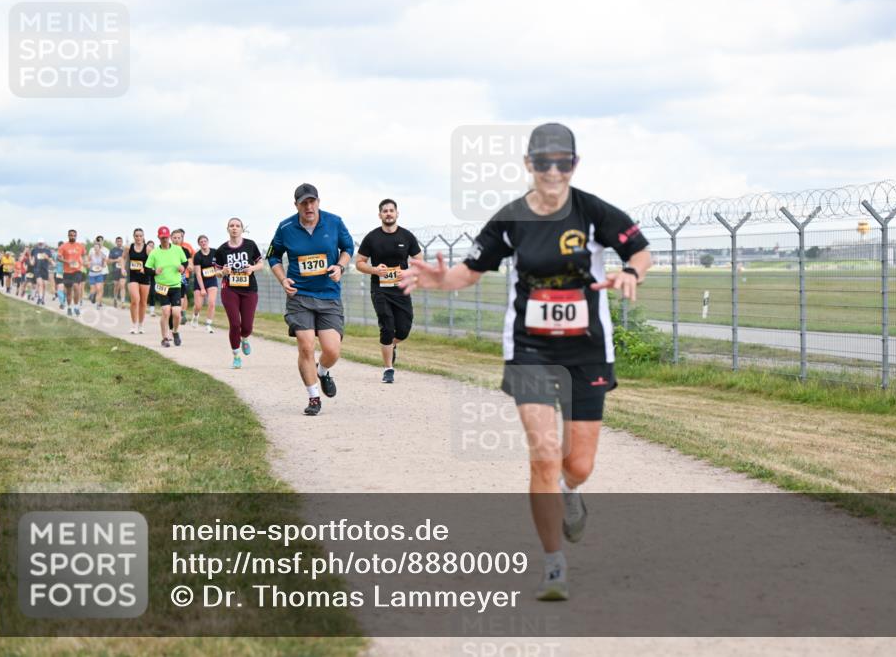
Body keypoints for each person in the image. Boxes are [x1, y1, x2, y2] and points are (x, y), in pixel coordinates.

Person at [401, 123, 652, 601]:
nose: (553, 171)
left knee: (578, 463)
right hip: (530, 349)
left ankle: (569, 489)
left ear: (574, 166)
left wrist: (630, 272)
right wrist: (439, 280)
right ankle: (554, 562)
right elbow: (469, 272)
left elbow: (640, 251)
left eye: (563, 162)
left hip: (587, 350)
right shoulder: (511, 218)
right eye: (543, 162)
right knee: (541, 453)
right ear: (528, 165)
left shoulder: (593, 211)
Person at [268, 183, 354, 416]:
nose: (309, 206)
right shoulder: (285, 227)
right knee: (306, 346)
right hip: (300, 295)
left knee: (332, 350)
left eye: (312, 201)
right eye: (303, 202)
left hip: (328, 295)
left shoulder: (334, 222)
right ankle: (314, 397)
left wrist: (340, 266)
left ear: (318, 201)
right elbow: (273, 256)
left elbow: (348, 247)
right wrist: (283, 279)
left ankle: (323, 371)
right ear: (295, 205)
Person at [355, 198, 422, 383]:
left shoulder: (407, 237)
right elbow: (359, 263)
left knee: (403, 329)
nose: (388, 213)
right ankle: (388, 369)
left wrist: (407, 272)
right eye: (385, 211)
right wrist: (375, 270)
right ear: (380, 215)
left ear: (397, 213)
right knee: (387, 326)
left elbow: (419, 262)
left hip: (401, 289)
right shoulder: (372, 237)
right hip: (380, 290)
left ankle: (392, 345)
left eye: (391, 210)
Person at [214, 219, 263, 369]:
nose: (234, 228)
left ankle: (245, 338)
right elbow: (216, 272)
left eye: (237, 226)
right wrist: (223, 271)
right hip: (230, 289)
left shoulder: (250, 245)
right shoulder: (222, 249)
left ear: (242, 229)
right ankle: (236, 356)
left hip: (249, 289)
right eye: (231, 226)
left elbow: (261, 264)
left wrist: (252, 269)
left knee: (247, 326)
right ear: (227, 229)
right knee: (235, 324)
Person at [144, 226, 188, 347]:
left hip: (175, 285)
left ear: (169, 237)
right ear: (158, 237)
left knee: (177, 312)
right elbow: (146, 269)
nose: (164, 239)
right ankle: (164, 338)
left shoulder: (178, 250)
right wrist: (154, 272)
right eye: (162, 237)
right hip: (162, 286)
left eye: (166, 237)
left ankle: (175, 332)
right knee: (165, 311)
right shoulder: (154, 253)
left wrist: (182, 267)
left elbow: (185, 262)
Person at [191, 234, 219, 332]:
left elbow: (218, 264)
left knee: (211, 303)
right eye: (201, 242)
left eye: (205, 241)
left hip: (211, 280)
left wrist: (219, 271)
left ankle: (208, 324)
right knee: (198, 305)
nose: (203, 243)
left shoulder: (215, 252)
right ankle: (195, 316)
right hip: (200, 281)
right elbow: (198, 273)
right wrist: (202, 288)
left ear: (208, 242)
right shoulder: (197, 256)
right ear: (199, 244)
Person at [125, 228, 150, 334]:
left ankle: (140, 325)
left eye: (140, 236)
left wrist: (146, 268)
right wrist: (122, 268)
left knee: (143, 302)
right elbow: (123, 258)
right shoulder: (129, 247)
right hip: (132, 276)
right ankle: (134, 325)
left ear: (143, 237)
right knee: (135, 299)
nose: (139, 238)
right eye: (136, 236)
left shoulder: (148, 248)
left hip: (144, 277)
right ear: (133, 236)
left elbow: (153, 262)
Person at [57, 230, 86, 316]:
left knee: (76, 287)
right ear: (68, 236)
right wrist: (67, 261)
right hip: (67, 271)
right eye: (71, 235)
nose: (72, 237)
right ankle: (69, 307)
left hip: (77, 270)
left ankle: (76, 307)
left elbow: (84, 255)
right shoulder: (63, 246)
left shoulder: (80, 246)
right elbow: (58, 258)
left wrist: (83, 262)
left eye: (74, 235)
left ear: (76, 236)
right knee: (69, 292)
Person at [171, 229, 194, 326]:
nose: (176, 240)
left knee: (181, 295)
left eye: (178, 238)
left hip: (183, 276)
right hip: (169, 276)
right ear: (170, 238)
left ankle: (179, 314)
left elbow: (191, 264)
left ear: (182, 238)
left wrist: (190, 266)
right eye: (174, 238)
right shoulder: (166, 249)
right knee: (171, 295)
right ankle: (174, 313)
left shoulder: (185, 249)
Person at [87, 239, 109, 309]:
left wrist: (104, 265)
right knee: (93, 290)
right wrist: (89, 265)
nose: (96, 249)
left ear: (100, 248)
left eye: (97, 247)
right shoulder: (91, 255)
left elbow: (104, 263)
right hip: (92, 274)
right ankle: (92, 295)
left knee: (99, 288)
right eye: (95, 247)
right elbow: (87, 264)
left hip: (99, 274)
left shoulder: (103, 255)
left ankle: (98, 304)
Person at [30, 239, 53, 306]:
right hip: (37, 269)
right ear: (37, 243)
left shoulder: (48, 251)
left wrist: (47, 258)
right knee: (40, 284)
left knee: (44, 285)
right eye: (39, 243)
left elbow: (51, 261)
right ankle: (39, 298)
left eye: (41, 243)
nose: (40, 244)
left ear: (44, 243)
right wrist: (31, 262)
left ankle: (42, 299)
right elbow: (32, 260)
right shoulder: (34, 250)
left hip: (45, 270)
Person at [108, 236, 127, 308]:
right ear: (116, 242)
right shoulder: (113, 250)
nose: (119, 243)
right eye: (118, 241)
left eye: (120, 241)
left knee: (122, 285)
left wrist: (123, 264)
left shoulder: (125, 250)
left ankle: (123, 302)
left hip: (123, 270)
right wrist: (116, 260)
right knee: (116, 286)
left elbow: (127, 259)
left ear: (122, 242)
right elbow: (109, 261)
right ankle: (115, 299)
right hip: (115, 270)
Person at [145, 240, 157, 316]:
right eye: (150, 245)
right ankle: (142, 307)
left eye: (152, 246)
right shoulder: (144, 255)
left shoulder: (156, 255)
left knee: (152, 293)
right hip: (144, 275)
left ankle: (152, 310)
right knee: (144, 293)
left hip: (153, 275)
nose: (151, 247)